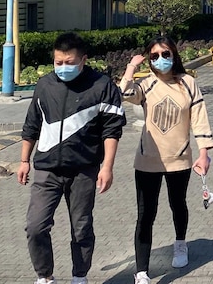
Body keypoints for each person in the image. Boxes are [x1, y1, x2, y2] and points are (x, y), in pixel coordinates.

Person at [19, 32, 125, 284]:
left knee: (81, 228)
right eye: (58, 62)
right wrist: (24, 160)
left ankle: (80, 275)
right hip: (47, 169)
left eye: (69, 62)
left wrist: (107, 167)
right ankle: (45, 276)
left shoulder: (101, 86)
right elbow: (31, 125)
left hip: (84, 170)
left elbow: (112, 130)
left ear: (83, 60)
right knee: (35, 227)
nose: (63, 68)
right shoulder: (45, 85)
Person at [120, 36, 213, 284]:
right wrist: (131, 67)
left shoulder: (188, 83)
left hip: (179, 158)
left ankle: (180, 244)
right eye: (154, 56)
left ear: (174, 55)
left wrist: (204, 153)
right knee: (145, 213)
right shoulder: (146, 84)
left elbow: (200, 119)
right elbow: (124, 93)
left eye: (165, 54)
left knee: (177, 204)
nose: (160, 60)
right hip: (148, 160)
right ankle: (141, 271)